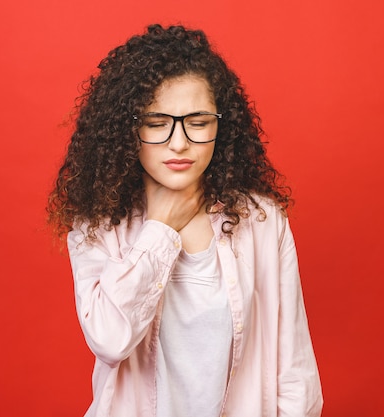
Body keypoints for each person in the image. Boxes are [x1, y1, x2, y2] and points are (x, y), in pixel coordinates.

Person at [48, 23, 323, 417]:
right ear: (129, 130)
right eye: (157, 124)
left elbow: (294, 373)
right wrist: (159, 228)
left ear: (221, 127)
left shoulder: (262, 222)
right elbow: (109, 340)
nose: (179, 143)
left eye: (197, 122)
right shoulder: (99, 226)